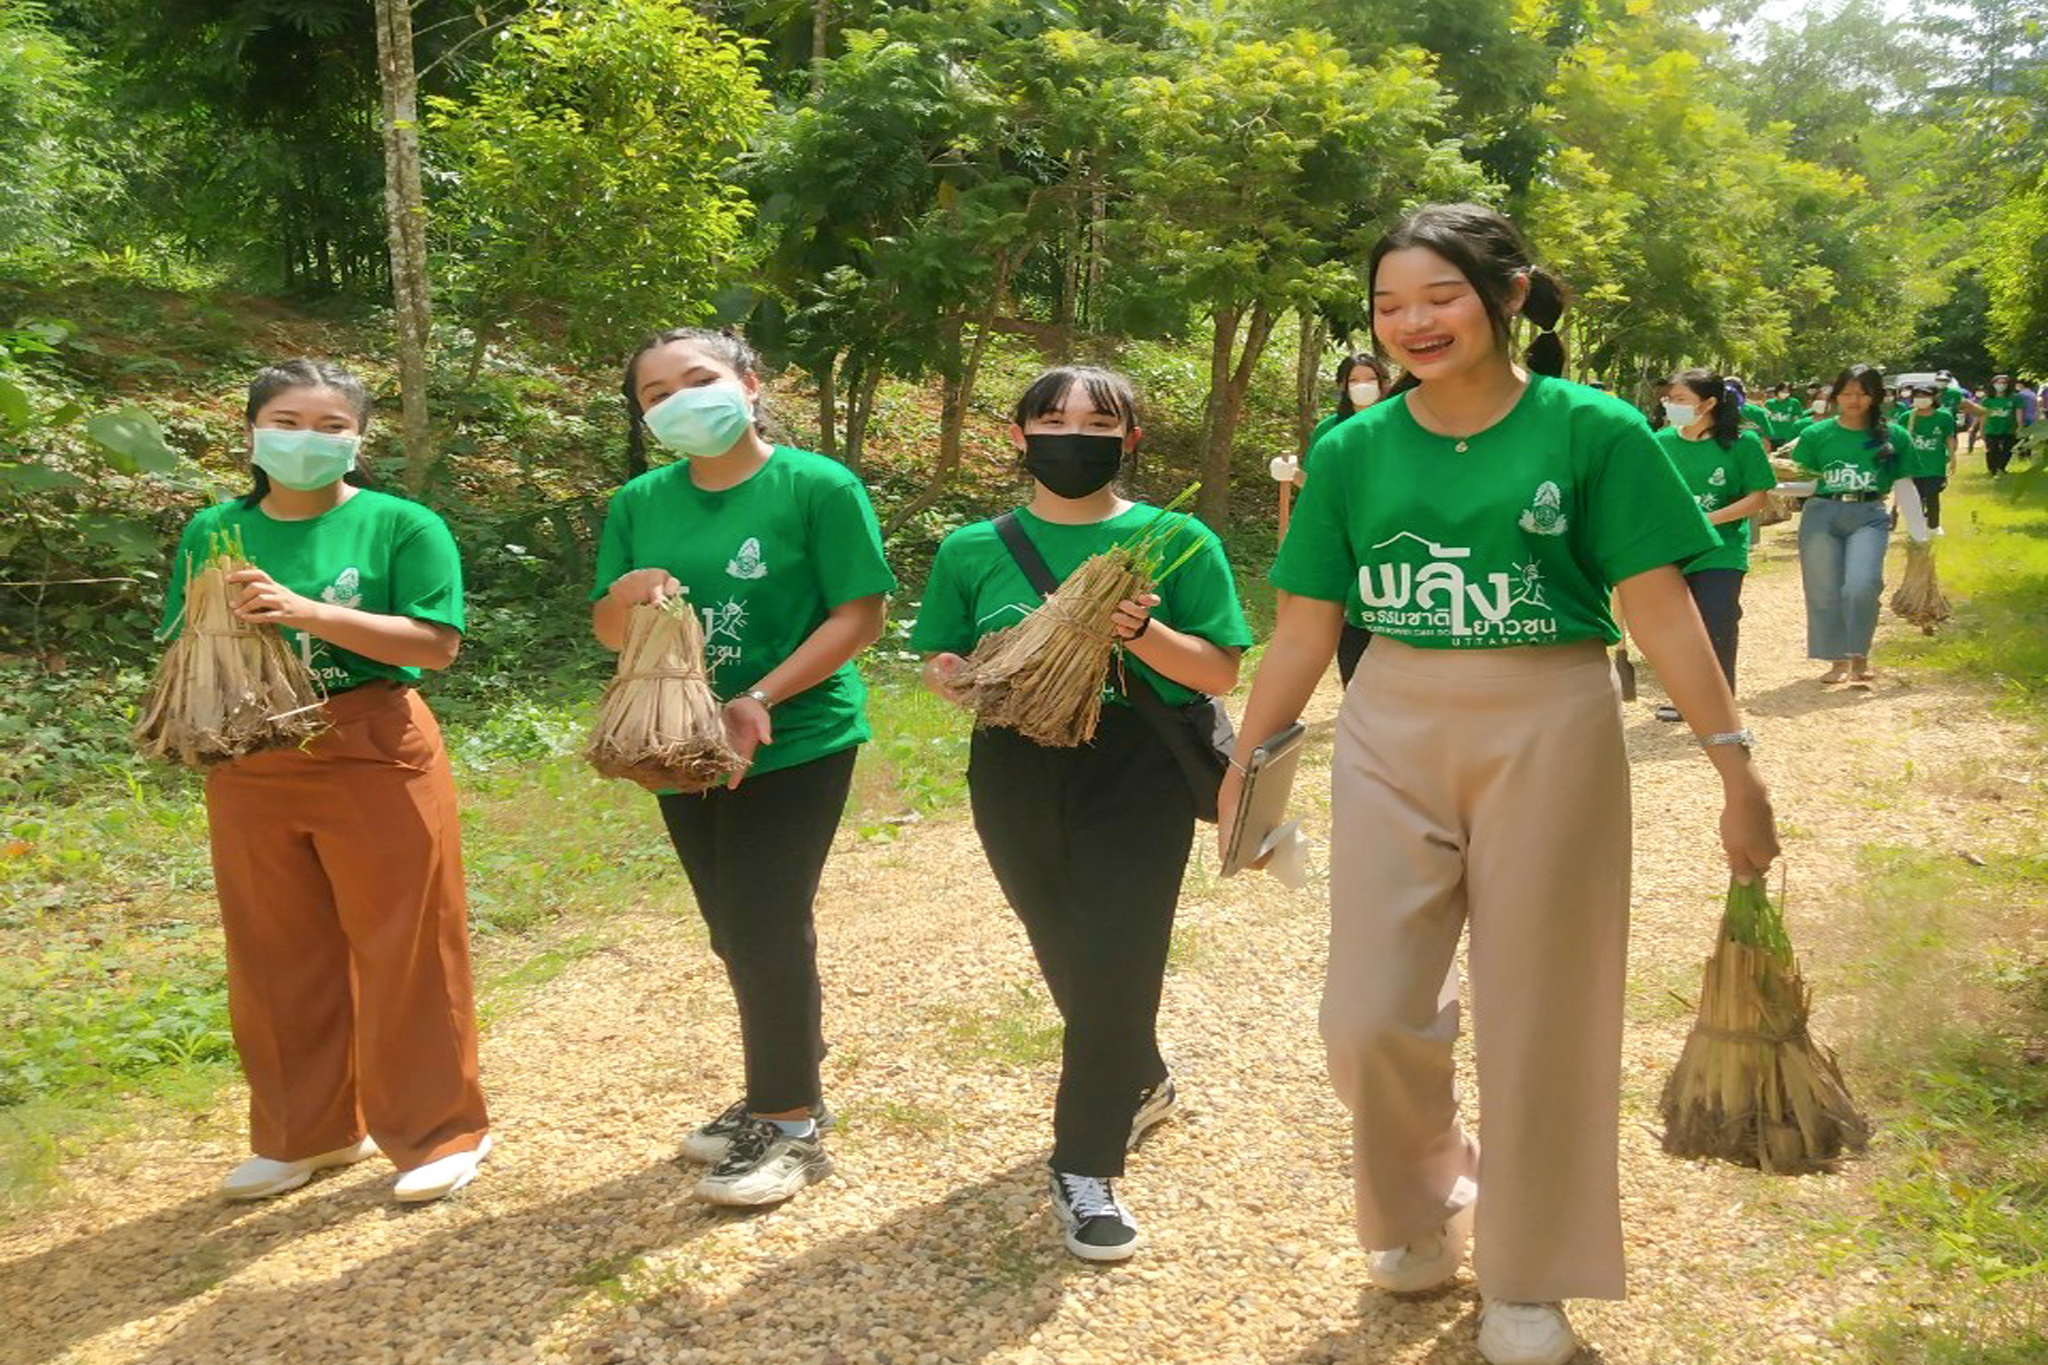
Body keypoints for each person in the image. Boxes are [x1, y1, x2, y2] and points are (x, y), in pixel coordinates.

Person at [1225, 203, 1778, 1365]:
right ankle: (1423, 1201)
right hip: (1390, 720)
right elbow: (1302, 626)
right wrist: (1248, 753)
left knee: (1546, 1012)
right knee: (1366, 1015)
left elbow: (1659, 606)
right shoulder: (1350, 448)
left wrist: (1734, 765)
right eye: (1387, 304)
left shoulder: (1593, 429)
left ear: (1507, 297)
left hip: (1551, 719)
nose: (1411, 322)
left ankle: (1531, 1271)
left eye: (1437, 296)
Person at [915, 365, 1250, 1264]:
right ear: (1019, 436)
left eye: (1098, 421)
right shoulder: (971, 547)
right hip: (1015, 766)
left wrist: (1143, 633)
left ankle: (1086, 1164)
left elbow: (1219, 670)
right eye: (1052, 417)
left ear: (1130, 440)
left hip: (1135, 767)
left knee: (1116, 957)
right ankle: (1137, 1073)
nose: (1074, 433)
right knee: (1064, 946)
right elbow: (939, 653)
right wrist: (954, 678)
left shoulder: (1177, 539)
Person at [158, 359, 490, 1205]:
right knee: (273, 950)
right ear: (251, 434)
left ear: (359, 438)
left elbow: (434, 643)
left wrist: (307, 611)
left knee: (404, 945)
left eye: (331, 426)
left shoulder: (401, 524)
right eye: (289, 422)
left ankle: (437, 1132)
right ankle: (303, 1134)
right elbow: (184, 642)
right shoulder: (211, 530)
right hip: (249, 752)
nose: (309, 440)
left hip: (372, 743)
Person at [591, 327, 896, 1207]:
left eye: (698, 378)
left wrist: (758, 696)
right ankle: (787, 1064)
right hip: (679, 741)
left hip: (795, 738)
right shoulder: (639, 501)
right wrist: (623, 597)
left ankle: (791, 1120)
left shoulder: (817, 485)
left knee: (765, 919)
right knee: (732, 921)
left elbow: (858, 615)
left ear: (749, 382)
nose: (677, 400)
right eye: (654, 393)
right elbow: (613, 634)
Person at [1651, 369, 1775, 720]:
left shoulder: (1743, 444)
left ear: (1708, 404)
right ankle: (1686, 699)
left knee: (1716, 618)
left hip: (1722, 548)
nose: (1670, 406)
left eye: (1679, 400)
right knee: (1678, 627)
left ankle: (1720, 704)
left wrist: (1707, 520)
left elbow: (1757, 498)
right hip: (1673, 551)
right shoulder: (1660, 443)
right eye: (1668, 399)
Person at [1779, 363, 1909, 685]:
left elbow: (1904, 482)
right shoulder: (1815, 434)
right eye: (1847, 393)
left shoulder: (1895, 435)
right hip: (1822, 513)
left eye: (1863, 393)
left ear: (1876, 397)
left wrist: (1920, 534)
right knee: (1823, 589)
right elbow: (1803, 482)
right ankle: (1837, 660)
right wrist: (1771, 482)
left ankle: (1859, 655)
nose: (1854, 400)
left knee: (1862, 584)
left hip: (1869, 514)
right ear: (1836, 396)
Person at [1271, 352, 1394, 684]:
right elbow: (1317, 489)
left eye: (1370, 379)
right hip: (1344, 537)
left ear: (1384, 383)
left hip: (1390, 533)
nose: (1362, 387)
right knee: (1348, 612)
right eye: (1354, 380)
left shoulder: (1401, 424)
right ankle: (1353, 685)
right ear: (1342, 386)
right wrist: (1292, 474)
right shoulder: (1330, 430)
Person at [1896, 381, 1958, 531]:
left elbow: (1949, 437)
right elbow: (1899, 440)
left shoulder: (1944, 417)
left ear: (1934, 397)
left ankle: (1934, 525)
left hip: (1935, 464)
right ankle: (1917, 525)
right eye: (1917, 396)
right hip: (1913, 465)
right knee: (1916, 497)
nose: (1921, 398)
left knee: (1932, 495)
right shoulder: (1906, 417)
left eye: (1925, 395)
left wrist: (1952, 457)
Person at [1979, 372, 2022, 476]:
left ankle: (2002, 467)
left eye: (2004, 383)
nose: (2001, 385)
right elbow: (1982, 416)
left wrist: (2020, 427)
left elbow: (2018, 414)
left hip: (2008, 429)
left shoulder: (2015, 398)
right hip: (1992, 429)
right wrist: (1981, 430)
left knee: (2007, 450)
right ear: (1993, 384)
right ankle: (1993, 470)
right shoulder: (1987, 400)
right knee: (1992, 450)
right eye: (1998, 383)